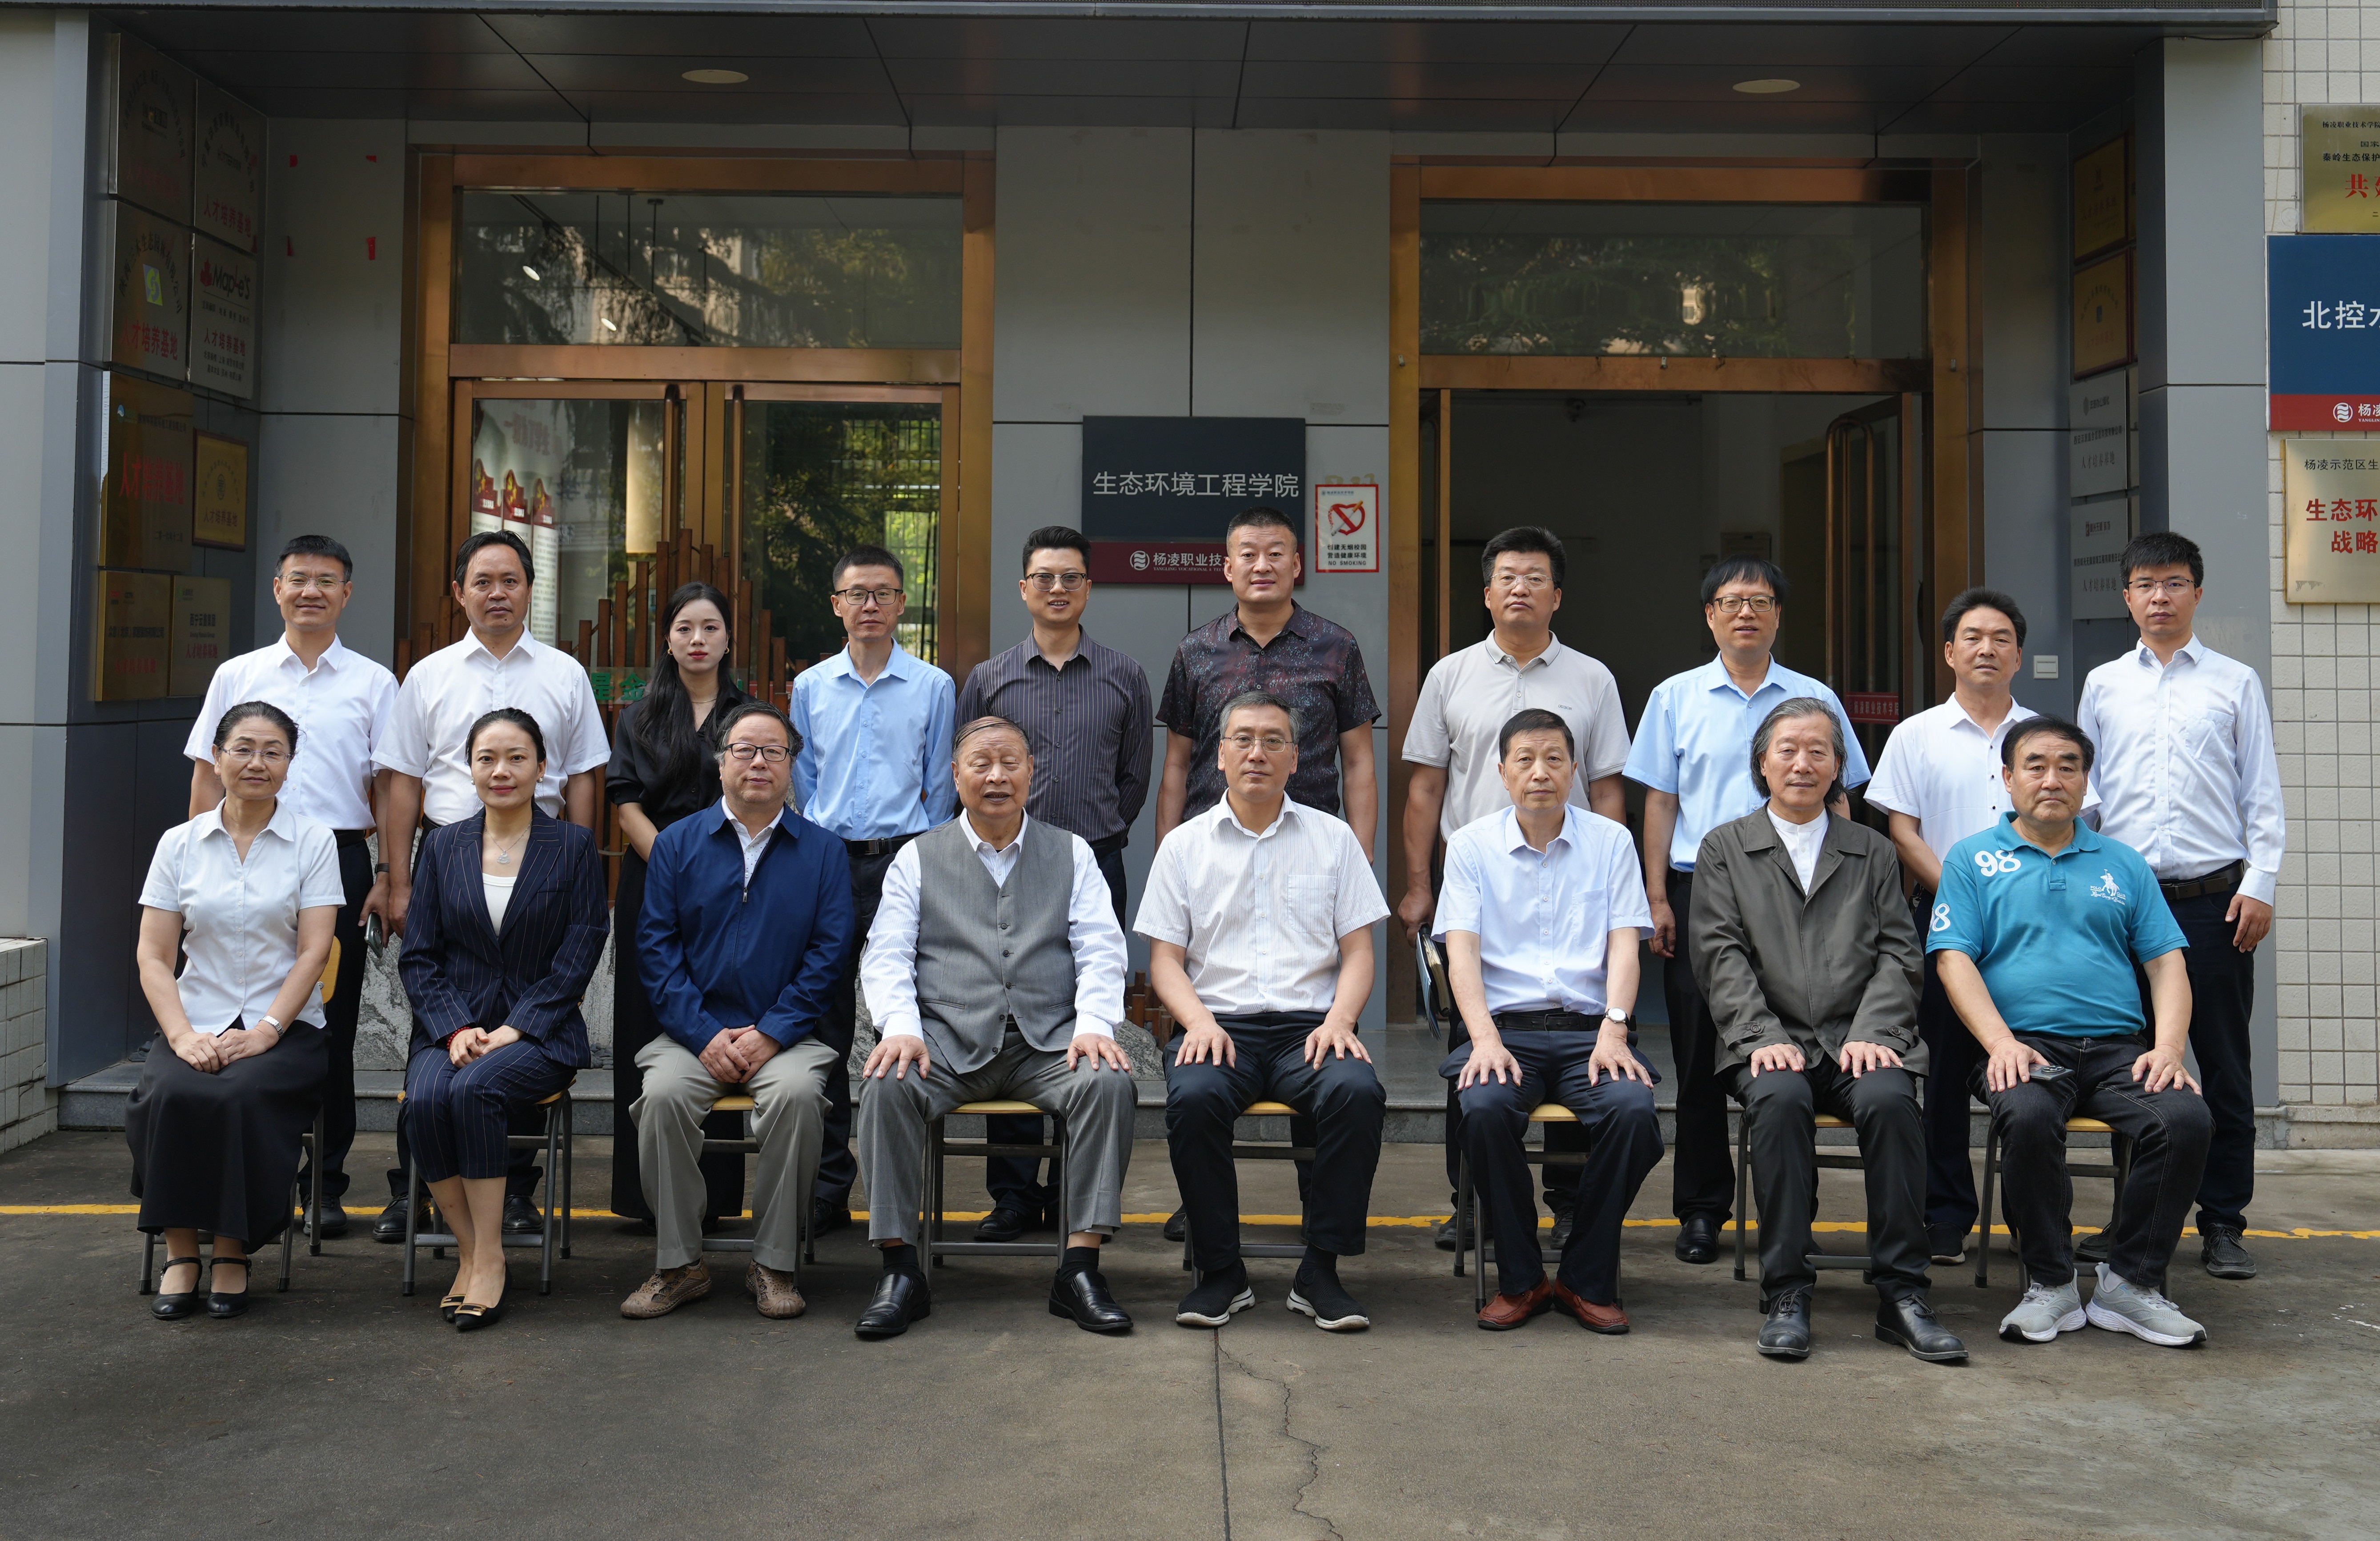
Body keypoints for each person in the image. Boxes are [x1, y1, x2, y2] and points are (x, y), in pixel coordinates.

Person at [1690, 699, 1964, 1364]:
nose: (1802, 763)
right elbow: (1719, 953)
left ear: (1838, 766)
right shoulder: (1725, 847)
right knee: (1780, 1101)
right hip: (1768, 1040)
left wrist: (1877, 1033)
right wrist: (1760, 1036)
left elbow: (1900, 952)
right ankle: (1787, 1291)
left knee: (1891, 1101)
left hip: (1859, 1039)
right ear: (1761, 764)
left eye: (1818, 751)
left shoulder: (1871, 850)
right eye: (1786, 750)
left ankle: (1902, 1293)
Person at [1931, 716, 2214, 1349]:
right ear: (2008, 779)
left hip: (2118, 1052)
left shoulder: (2123, 863)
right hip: (2023, 1047)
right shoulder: (1971, 858)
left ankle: (2130, 1286)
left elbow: (2166, 962)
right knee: (2029, 1115)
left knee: (2185, 1118)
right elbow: (1952, 959)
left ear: (2087, 781)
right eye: (2035, 765)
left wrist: (2169, 1049)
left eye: (2068, 766)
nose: (2052, 779)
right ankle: (2051, 1284)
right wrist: (2000, 1043)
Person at [853, 716, 1138, 1340]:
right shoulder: (917, 857)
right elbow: (888, 953)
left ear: (1032, 772)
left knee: (1107, 1082)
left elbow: (1100, 948)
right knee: (886, 1085)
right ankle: (900, 1270)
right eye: (980, 764)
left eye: (1010, 762)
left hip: (1048, 1043)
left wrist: (1094, 1024)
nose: (996, 776)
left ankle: (1080, 1269)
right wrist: (900, 1028)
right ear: (956, 776)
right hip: (946, 1043)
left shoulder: (1072, 852)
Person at [1623, 555, 1869, 1266]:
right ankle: (1702, 1211)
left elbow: (1840, 798)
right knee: (1700, 1054)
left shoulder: (1814, 697)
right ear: (1709, 616)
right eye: (1730, 602)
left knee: (1800, 1048)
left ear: (1778, 615)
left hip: (1803, 891)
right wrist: (1655, 896)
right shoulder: (1674, 696)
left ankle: (1791, 1217)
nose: (1745, 614)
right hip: (1703, 890)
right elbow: (1660, 801)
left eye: (1759, 602)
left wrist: (1843, 894)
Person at [374, 530, 610, 1243]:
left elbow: (585, 776)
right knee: (439, 1029)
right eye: (482, 581)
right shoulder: (429, 676)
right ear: (459, 592)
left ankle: (513, 1193)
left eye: (511, 581)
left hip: (541, 861)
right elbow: (401, 780)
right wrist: (398, 877)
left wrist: (574, 866)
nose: (497, 593)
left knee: (523, 1030)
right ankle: (413, 1187)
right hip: (449, 860)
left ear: (530, 589)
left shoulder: (565, 673)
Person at [1399, 526, 1629, 1254]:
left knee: (1575, 1032)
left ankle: (1568, 1203)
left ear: (1557, 595)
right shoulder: (1449, 675)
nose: (1520, 589)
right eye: (1507, 577)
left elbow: (1606, 788)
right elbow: (1425, 787)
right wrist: (1418, 884)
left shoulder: (1592, 678)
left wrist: (1615, 872)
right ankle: (1471, 1204)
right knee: (1474, 1047)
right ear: (1487, 593)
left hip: (1572, 881)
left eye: (1535, 577)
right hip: (1476, 882)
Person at [1155, 504, 1381, 1241]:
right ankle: (1202, 1205)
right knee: (1204, 1053)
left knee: (1326, 1049)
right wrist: (1169, 851)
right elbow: (1178, 764)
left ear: (1296, 565)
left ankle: (1324, 1209)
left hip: (1311, 858)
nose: (1261, 564)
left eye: (1275, 552)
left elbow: (1358, 761)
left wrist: (1359, 854)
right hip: (1215, 859)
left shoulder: (1336, 646)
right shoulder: (1195, 652)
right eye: (1247, 553)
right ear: (1226, 568)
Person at [1141, 691, 1390, 1332]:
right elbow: (1165, 960)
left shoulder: (1333, 840)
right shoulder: (1183, 846)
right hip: (1218, 1026)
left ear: (1296, 758)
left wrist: (1340, 1022)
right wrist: (1198, 1022)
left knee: (1356, 1092)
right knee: (1194, 1099)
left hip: (1311, 1030)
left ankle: (1321, 1271)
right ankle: (1221, 1272)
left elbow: (1359, 952)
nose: (1258, 752)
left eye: (1273, 741)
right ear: (1219, 756)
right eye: (1243, 740)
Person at [1866, 588, 2097, 1267]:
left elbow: (2076, 824)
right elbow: (1901, 831)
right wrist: (1964, 894)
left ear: (2019, 655)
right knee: (1941, 1075)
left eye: (2001, 639)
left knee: (2035, 1071)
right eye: (1972, 637)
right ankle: (1945, 1214)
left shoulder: (2046, 737)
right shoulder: (1915, 735)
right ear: (1948, 652)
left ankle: (2034, 1218)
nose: (1986, 649)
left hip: (2035, 933)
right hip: (1942, 921)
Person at [2077, 531, 2284, 1281]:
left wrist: (2259, 883)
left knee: (2224, 1067)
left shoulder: (2234, 682)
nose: (2158, 597)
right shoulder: (2103, 684)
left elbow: (2261, 794)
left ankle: (2222, 1221)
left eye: (2172, 583)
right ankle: (2132, 1218)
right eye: (2144, 585)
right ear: (2126, 597)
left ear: (2196, 592)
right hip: (2124, 907)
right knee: (2129, 1068)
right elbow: (2086, 798)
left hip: (2214, 903)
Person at [183, 534, 398, 1241]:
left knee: (328, 1027)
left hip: (338, 859)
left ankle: (323, 1183)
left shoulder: (374, 682)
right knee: (231, 1009)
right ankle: (246, 1174)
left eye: (326, 581)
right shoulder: (238, 674)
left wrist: (389, 873)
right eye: (299, 579)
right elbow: (206, 777)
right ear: (277, 588)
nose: (312, 592)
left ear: (347, 594)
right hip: (240, 854)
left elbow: (390, 786)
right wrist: (195, 867)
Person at [623, 702, 854, 1321]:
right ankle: (679, 1265)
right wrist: (703, 1034)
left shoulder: (824, 852)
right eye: (744, 750)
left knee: (798, 1097)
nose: (758, 762)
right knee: (663, 1096)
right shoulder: (677, 844)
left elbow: (829, 956)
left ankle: (774, 1263)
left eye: (773, 751)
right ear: (720, 762)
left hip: (787, 1037)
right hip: (692, 1035)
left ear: (792, 765)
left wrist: (772, 1033)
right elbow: (656, 950)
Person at [1439, 709, 1664, 1334]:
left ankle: (1583, 1276)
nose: (1540, 772)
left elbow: (1625, 945)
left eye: (1554, 759)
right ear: (1502, 772)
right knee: (1483, 1110)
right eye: (1525, 760)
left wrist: (1614, 1029)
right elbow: (1460, 954)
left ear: (1574, 770)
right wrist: (1483, 1039)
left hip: (1590, 1032)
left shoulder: (1611, 842)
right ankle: (1521, 1279)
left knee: (1633, 1114)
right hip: (1504, 1030)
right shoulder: (1471, 846)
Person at [957, 524, 1153, 1244]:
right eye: (1044, 577)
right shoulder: (990, 679)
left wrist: (1094, 831)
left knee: (1086, 1013)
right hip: (1004, 865)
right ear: (1023, 589)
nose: (1058, 589)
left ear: (1088, 588)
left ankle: (1076, 1186)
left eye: (1071, 577)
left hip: (1094, 861)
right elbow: (969, 770)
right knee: (1006, 1011)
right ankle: (1013, 1195)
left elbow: (1134, 776)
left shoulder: (1125, 675)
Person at [130, 702, 341, 1320]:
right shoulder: (180, 844)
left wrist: (268, 1030)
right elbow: (153, 955)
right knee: (168, 1095)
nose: (257, 763)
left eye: (273, 751)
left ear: (290, 764)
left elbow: (315, 951)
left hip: (287, 1029)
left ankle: (231, 1249)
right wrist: (181, 1035)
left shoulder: (313, 840)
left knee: (239, 1096)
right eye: (243, 748)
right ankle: (181, 1253)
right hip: (195, 1022)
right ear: (217, 758)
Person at [397, 709, 606, 1330]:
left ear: (542, 768)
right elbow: (419, 955)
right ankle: (474, 1252)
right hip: (452, 1028)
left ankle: (488, 1260)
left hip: (540, 1032)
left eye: (517, 758)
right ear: (469, 769)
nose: (501, 771)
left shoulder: (572, 847)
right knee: (425, 1099)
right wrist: (455, 1028)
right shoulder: (442, 846)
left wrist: (518, 1025)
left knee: (476, 1089)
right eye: (487, 758)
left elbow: (582, 947)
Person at [790, 543, 956, 1237]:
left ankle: (901, 1191)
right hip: (827, 865)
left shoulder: (933, 686)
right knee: (825, 1025)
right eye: (856, 594)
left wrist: (923, 858)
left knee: (905, 1022)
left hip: (904, 863)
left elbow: (941, 786)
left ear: (901, 604)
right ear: (836, 604)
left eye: (883, 593)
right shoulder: (809, 687)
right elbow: (803, 782)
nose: (869, 605)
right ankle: (828, 1187)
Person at [606, 581, 752, 1229]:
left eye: (710, 627)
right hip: (654, 882)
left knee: (720, 1023)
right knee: (647, 1026)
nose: (698, 640)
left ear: (728, 638)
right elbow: (625, 804)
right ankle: (646, 1197)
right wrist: (675, 864)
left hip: (735, 883)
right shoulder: (638, 717)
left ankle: (714, 1197)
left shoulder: (749, 716)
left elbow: (763, 795)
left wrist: (713, 868)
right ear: (667, 639)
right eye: (685, 628)